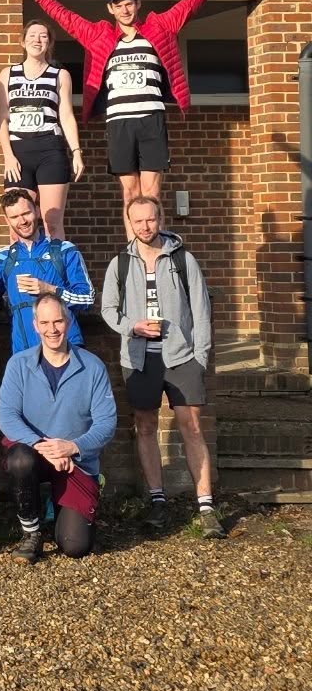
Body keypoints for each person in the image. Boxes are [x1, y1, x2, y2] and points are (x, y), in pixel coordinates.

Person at [23, 0, 233, 208]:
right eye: (118, 5)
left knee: (152, 191)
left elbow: (191, 3)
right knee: (130, 192)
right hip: (119, 121)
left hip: (151, 117)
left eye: (129, 3)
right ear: (110, 9)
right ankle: (133, 247)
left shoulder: (160, 26)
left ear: (138, 4)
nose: (124, 10)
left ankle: (154, 248)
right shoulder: (99, 35)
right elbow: (67, 19)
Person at [99, 195, 221, 537]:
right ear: (130, 222)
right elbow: (107, 309)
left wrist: (200, 357)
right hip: (139, 359)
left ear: (160, 217)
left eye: (150, 220)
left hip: (181, 358)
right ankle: (157, 501)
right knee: (146, 426)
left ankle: (206, 506)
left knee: (192, 428)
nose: (145, 227)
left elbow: (201, 311)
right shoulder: (120, 263)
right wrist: (131, 327)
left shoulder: (183, 259)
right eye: (137, 221)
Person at [0, 296, 117, 563]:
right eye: (45, 322)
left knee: (76, 547)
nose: (52, 329)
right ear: (35, 326)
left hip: (75, 461)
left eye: (58, 321)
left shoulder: (93, 366)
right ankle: (31, 532)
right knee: (19, 458)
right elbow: (7, 417)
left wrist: (73, 446)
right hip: (34, 454)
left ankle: (70, 511)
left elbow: (107, 423)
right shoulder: (18, 364)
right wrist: (43, 447)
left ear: (69, 321)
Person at [0, 20, 82, 237]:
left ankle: (55, 269)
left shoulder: (60, 74)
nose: (37, 39)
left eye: (43, 36)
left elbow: (66, 115)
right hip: (18, 153)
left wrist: (77, 152)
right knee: (18, 223)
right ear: (23, 42)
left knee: (52, 221)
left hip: (50, 149)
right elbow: (2, 118)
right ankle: (20, 270)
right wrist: (7, 155)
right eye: (32, 35)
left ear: (49, 42)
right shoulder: (8, 74)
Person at [0, 188, 94, 354]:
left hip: (67, 346)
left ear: (37, 211)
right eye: (14, 217)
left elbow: (87, 298)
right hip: (24, 349)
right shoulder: (1, 258)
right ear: (7, 220)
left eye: (26, 213)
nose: (22, 221)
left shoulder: (64, 250)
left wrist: (51, 290)